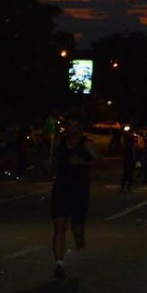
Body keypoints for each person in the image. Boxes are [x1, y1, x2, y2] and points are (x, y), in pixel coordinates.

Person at [50, 119, 97, 281]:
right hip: (61, 187)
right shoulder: (60, 143)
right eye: (69, 126)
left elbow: (99, 162)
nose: (72, 129)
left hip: (79, 189)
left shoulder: (86, 144)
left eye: (75, 126)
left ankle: (80, 240)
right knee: (59, 225)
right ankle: (59, 263)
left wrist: (83, 162)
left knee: (77, 227)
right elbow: (53, 159)